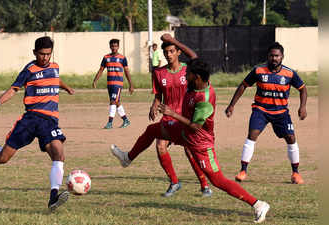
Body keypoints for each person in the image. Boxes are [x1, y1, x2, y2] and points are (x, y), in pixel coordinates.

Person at [111, 59, 270, 223]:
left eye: (188, 74)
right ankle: (127, 158)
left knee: (218, 180)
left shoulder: (205, 99)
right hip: (183, 132)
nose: (185, 76)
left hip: (200, 143)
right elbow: (193, 57)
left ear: (197, 77)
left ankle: (258, 204)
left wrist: (172, 114)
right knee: (152, 130)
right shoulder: (194, 84)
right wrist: (173, 41)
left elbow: (195, 126)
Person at [0, 36, 75, 211]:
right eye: (42, 54)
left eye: (48, 54)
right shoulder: (29, 69)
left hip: (49, 121)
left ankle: (53, 197)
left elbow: (56, 78)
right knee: (3, 159)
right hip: (30, 120)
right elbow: (14, 89)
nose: (45, 58)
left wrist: (65, 87)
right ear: (35, 52)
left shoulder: (55, 67)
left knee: (59, 155)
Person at [112, 33, 212, 198]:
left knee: (189, 149)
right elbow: (159, 94)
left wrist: (174, 40)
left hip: (185, 117)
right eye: (166, 52)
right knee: (160, 145)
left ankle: (204, 185)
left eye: (172, 51)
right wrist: (154, 104)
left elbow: (195, 56)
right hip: (168, 117)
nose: (169, 55)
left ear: (178, 52)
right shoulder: (159, 73)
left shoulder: (188, 69)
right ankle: (174, 182)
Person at [225, 42, 307, 184]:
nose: (274, 58)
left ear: (282, 57)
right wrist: (232, 105)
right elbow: (243, 85)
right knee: (252, 135)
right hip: (260, 110)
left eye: (277, 56)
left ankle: (296, 173)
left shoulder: (289, 73)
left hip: (281, 113)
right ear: (267, 56)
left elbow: (303, 88)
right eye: (271, 55)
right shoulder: (258, 71)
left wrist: (303, 107)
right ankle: (243, 171)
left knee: (291, 138)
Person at [92, 39, 134, 129]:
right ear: (110, 46)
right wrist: (95, 80)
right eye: (112, 46)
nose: (114, 48)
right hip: (110, 84)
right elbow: (101, 70)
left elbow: (127, 72)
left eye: (116, 46)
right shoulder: (106, 58)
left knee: (113, 102)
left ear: (118, 47)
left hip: (118, 84)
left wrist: (131, 84)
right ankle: (126, 120)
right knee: (117, 102)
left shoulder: (122, 58)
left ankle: (110, 123)